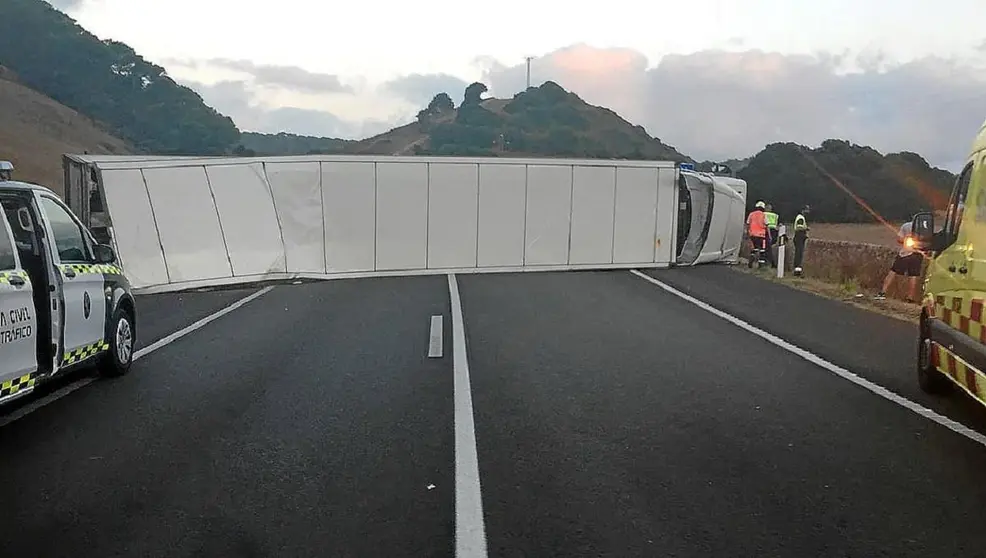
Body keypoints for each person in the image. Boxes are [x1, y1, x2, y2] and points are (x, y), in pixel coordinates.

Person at [876, 218, 924, 302]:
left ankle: (882, 292)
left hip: (905, 253)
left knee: (893, 272)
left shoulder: (906, 226)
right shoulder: (923, 227)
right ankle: (910, 298)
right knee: (913, 276)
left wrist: (905, 240)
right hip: (918, 254)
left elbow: (899, 239)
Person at [746, 201, 768, 268]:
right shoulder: (763, 215)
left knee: (754, 248)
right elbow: (766, 225)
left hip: (753, 235)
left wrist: (748, 233)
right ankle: (761, 265)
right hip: (762, 235)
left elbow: (748, 224)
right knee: (762, 250)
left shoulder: (751, 214)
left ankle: (751, 259)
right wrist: (769, 235)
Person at [793, 205, 810, 276]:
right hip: (799, 236)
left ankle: (797, 270)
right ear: (803, 210)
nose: (808, 211)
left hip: (798, 237)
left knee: (798, 254)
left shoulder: (800, 217)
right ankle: (797, 272)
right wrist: (806, 228)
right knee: (799, 254)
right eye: (807, 210)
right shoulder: (801, 218)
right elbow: (799, 228)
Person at [763, 203, 779, 268]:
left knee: (766, 247)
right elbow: (777, 224)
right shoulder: (775, 215)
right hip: (774, 231)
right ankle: (770, 262)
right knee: (769, 247)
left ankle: (769, 261)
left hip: (766, 230)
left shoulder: (763, 214)